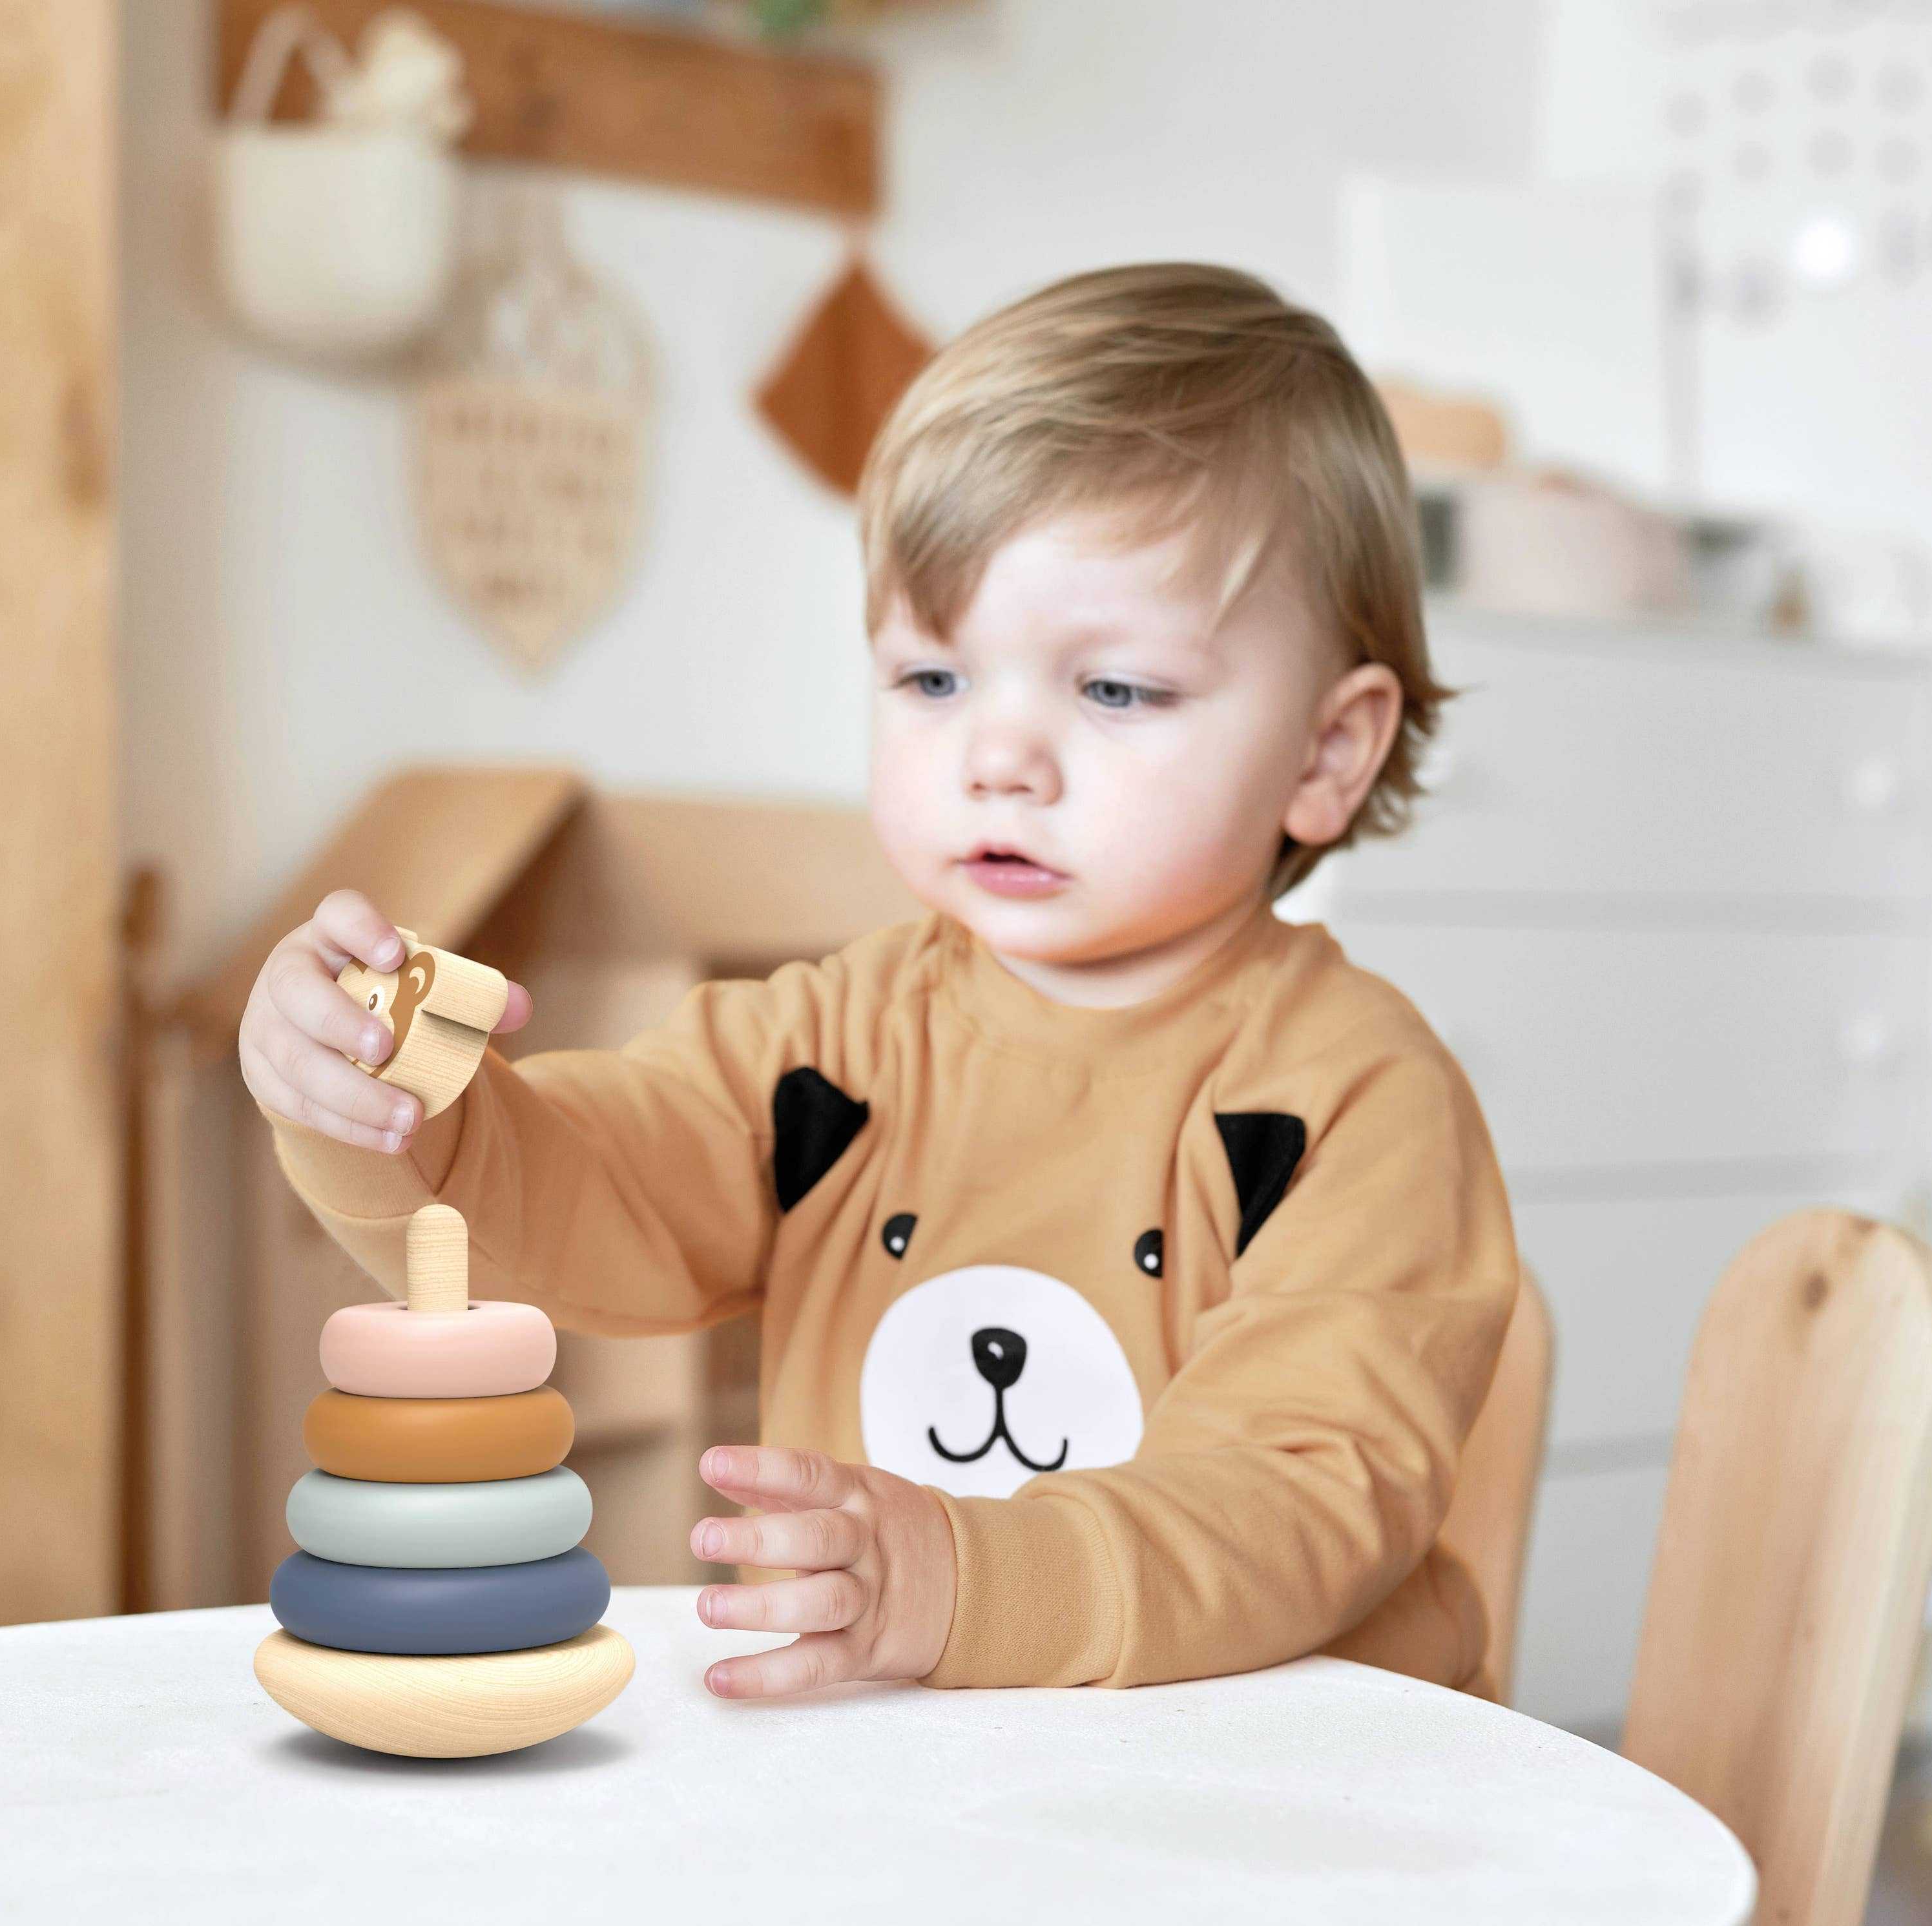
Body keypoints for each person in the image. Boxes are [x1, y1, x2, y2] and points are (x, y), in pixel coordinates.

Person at [237, 263, 1517, 1701]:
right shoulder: (832, 1044)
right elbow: (593, 1190)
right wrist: (403, 1105)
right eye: (930, 681)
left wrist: (965, 1580)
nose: (998, 758)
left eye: (1113, 691)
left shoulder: (1357, 1098)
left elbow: (1298, 1495)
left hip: (1274, 1806)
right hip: (897, 1789)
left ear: (1327, 754)